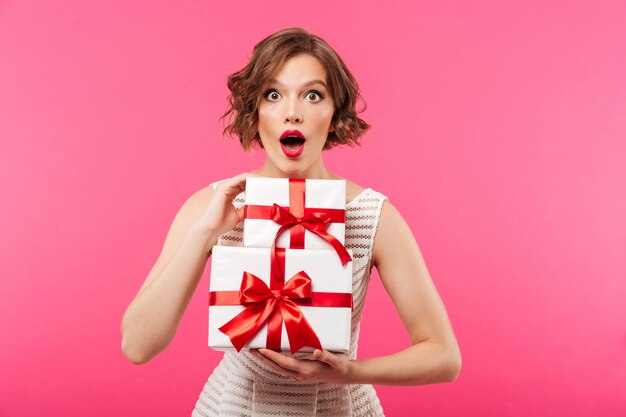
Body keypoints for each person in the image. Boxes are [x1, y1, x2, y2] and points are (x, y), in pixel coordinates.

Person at [121, 27, 461, 416]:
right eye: (273, 94)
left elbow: (444, 356)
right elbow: (137, 346)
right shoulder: (213, 206)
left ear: (335, 113)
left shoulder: (371, 214)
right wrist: (204, 234)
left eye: (313, 95)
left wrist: (347, 372)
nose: (292, 111)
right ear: (255, 111)